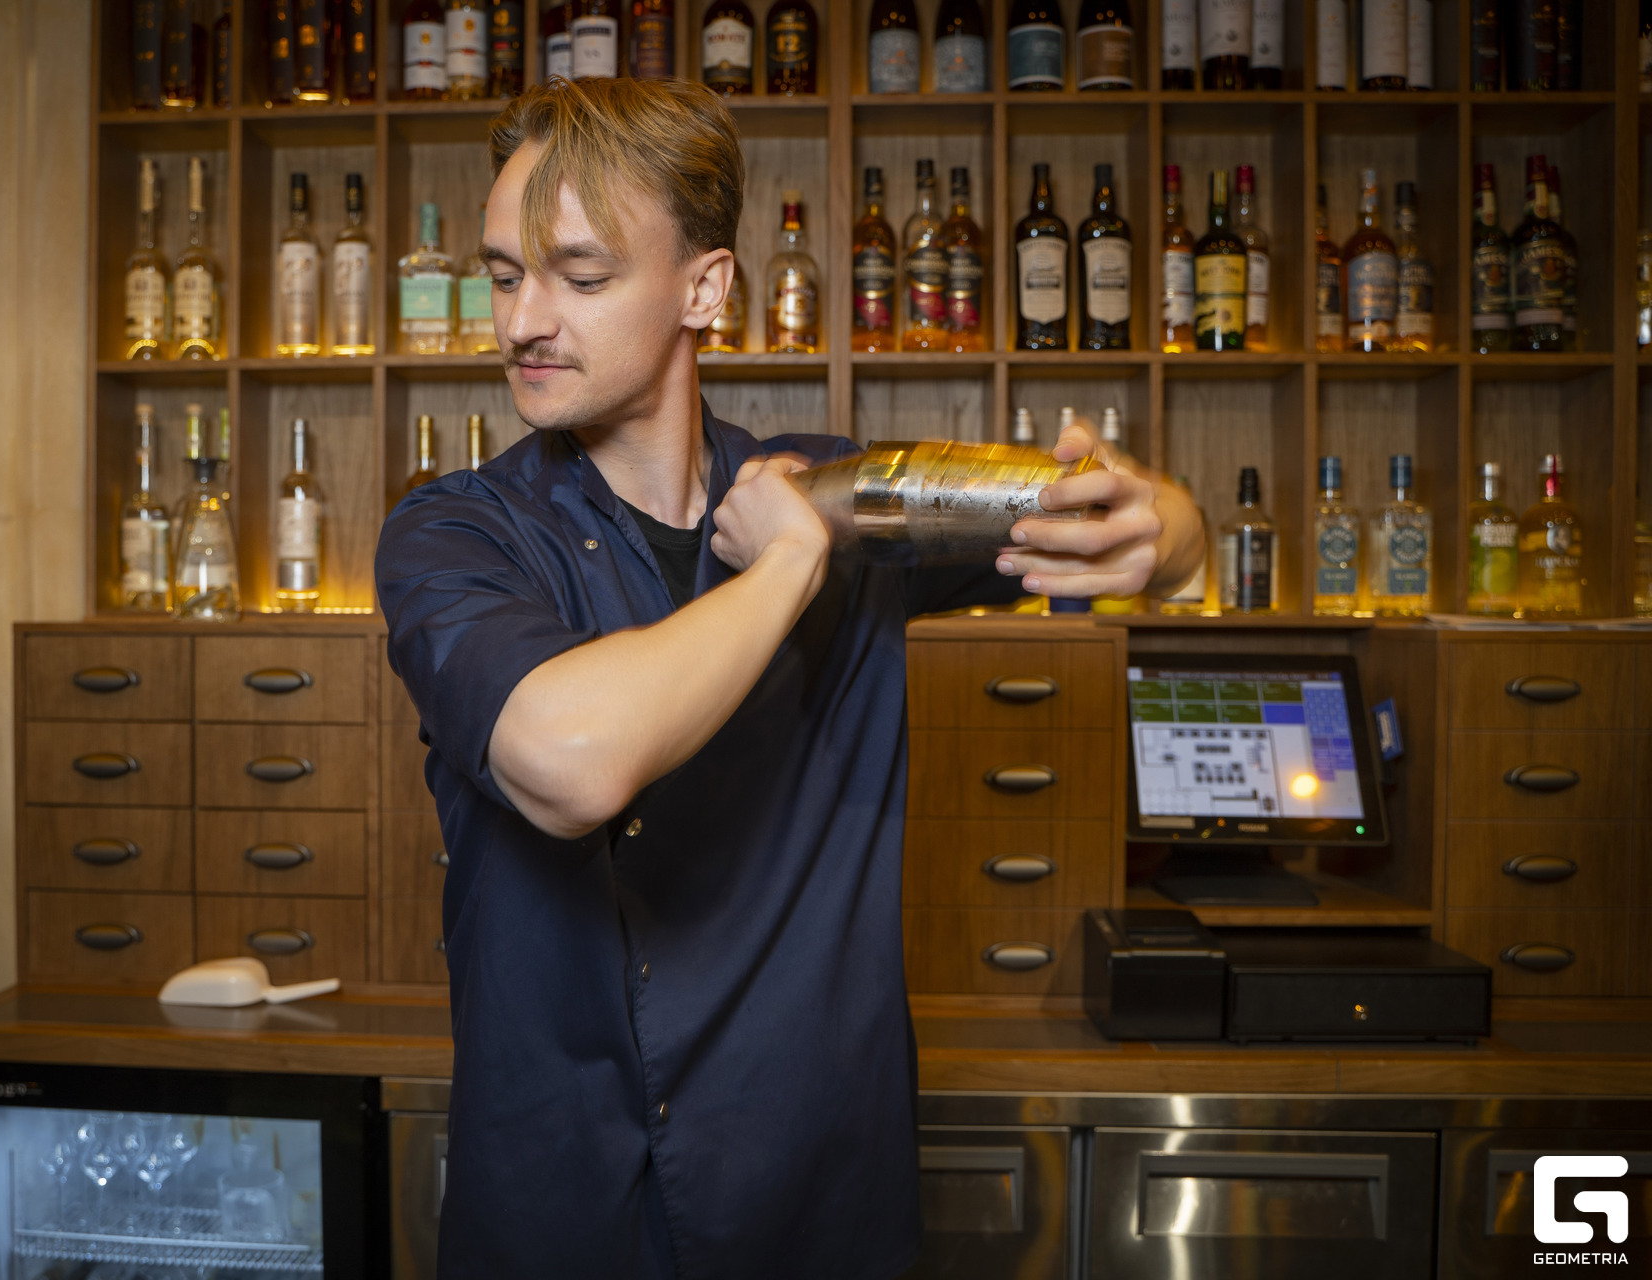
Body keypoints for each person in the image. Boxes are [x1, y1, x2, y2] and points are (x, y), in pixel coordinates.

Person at [376, 78, 1203, 1279]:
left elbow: (1128, 522)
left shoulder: (844, 490)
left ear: (704, 288)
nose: (524, 321)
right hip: (564, 1213)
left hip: (816, 1203)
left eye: (580, 276)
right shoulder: (454, 531)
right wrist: (786, 565)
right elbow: (569, 760)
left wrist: (1154, 526)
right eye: (506, 276)